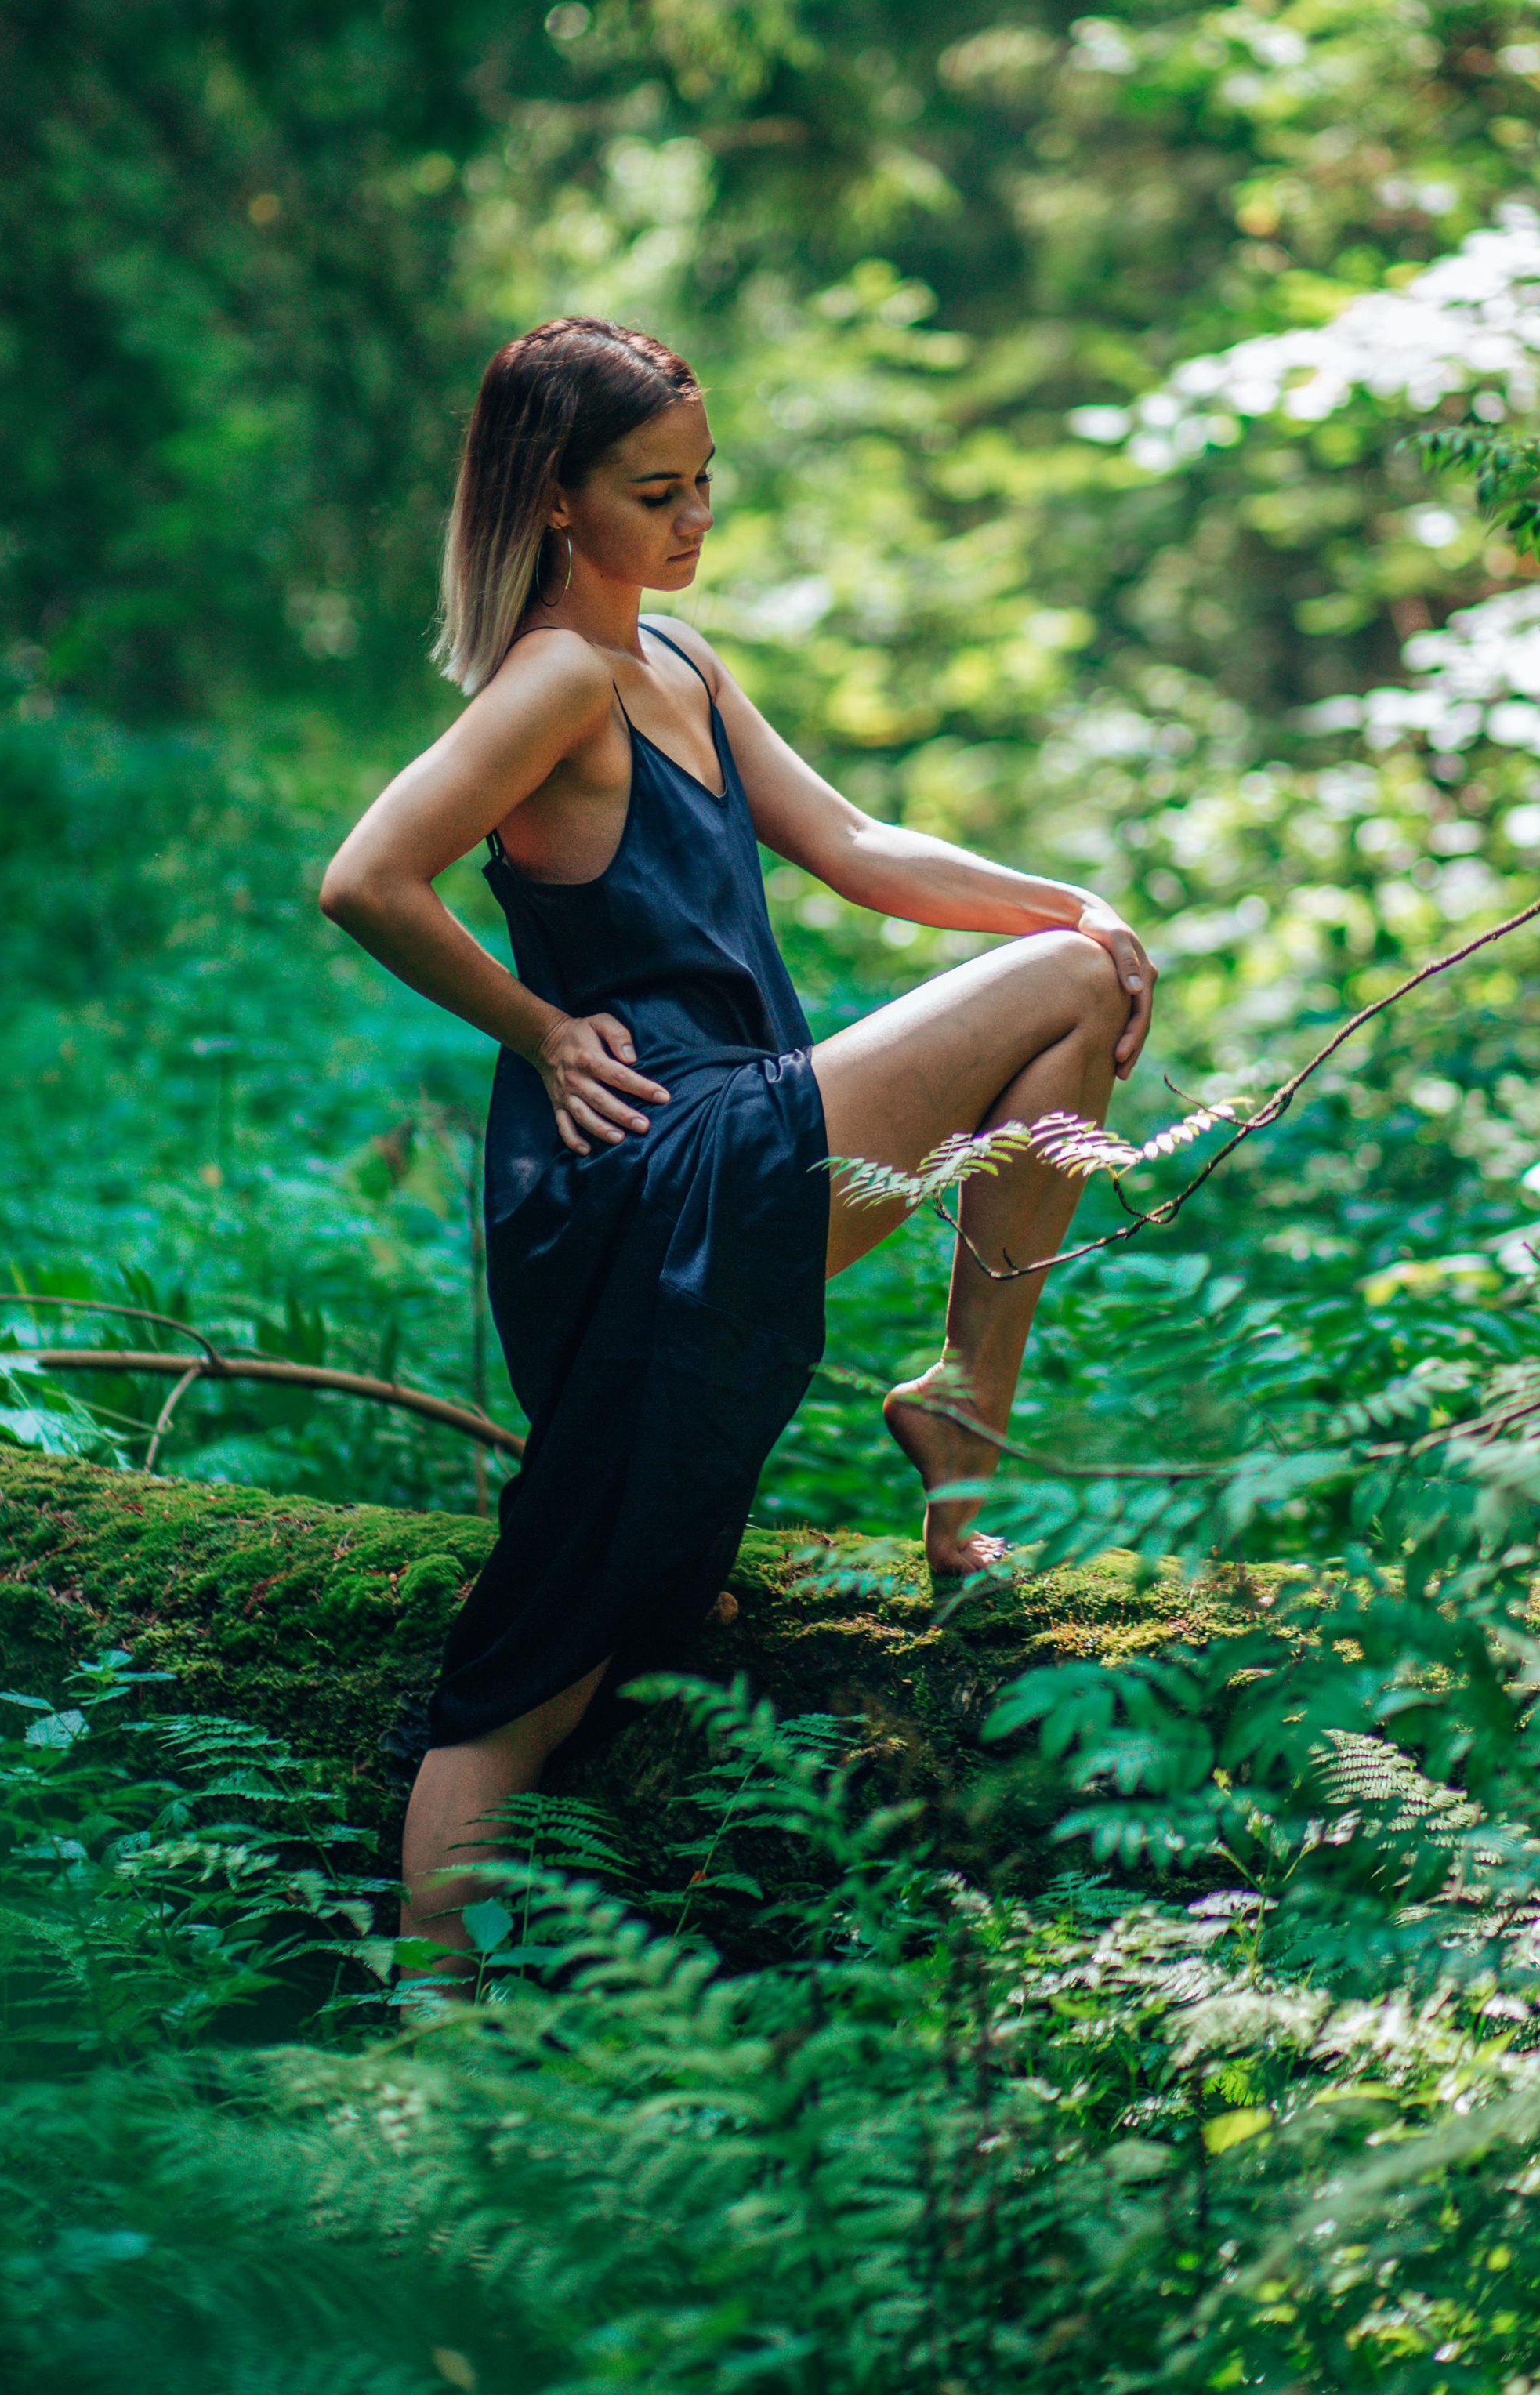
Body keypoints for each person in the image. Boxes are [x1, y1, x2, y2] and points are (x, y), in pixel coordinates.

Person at [320, 316, 1154, 1966]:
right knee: (532, 1667)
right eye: (654, 491)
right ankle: (430, 2029)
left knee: (1070, 976)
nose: (695, 519)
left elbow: (849, 845)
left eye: (706, 483)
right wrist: (542, 1028)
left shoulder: (681, 667)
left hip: (726, 1147)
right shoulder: (557, 679)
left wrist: (1074, 899)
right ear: (554, 501)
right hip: (641, 1173)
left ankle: (957, 1408)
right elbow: (364, 878)